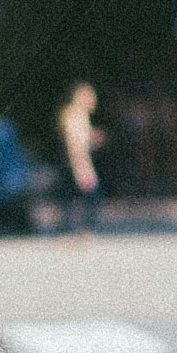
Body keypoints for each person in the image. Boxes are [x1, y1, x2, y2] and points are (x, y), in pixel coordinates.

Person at [56, 80, 105, 237]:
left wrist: (92, 137)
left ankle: (71, 230)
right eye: (90, 97)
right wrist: (82, 168)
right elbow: (75, 144)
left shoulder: (73, 114)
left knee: (71, 196)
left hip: (73, 160)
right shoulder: (75, 115)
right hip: (76, 160)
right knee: (91, 194)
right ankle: (83, 230)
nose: (93, 101)